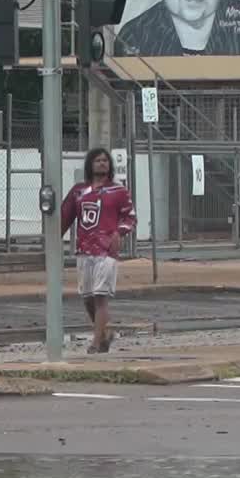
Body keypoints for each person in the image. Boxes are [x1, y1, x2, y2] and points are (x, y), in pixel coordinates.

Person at [60, 148, 137, 354]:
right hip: (84, 249)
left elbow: (130, 217)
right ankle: (105, 334)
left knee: (100, 296)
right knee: (87, 298)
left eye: (105, 160)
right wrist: (53, 239)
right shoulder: (78, 191)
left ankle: (95, 343)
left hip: (106, 251)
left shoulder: (119, 191)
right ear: (90, 165)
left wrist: (119, 233)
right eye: (97, 160)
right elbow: (64, 217)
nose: (102, 164)